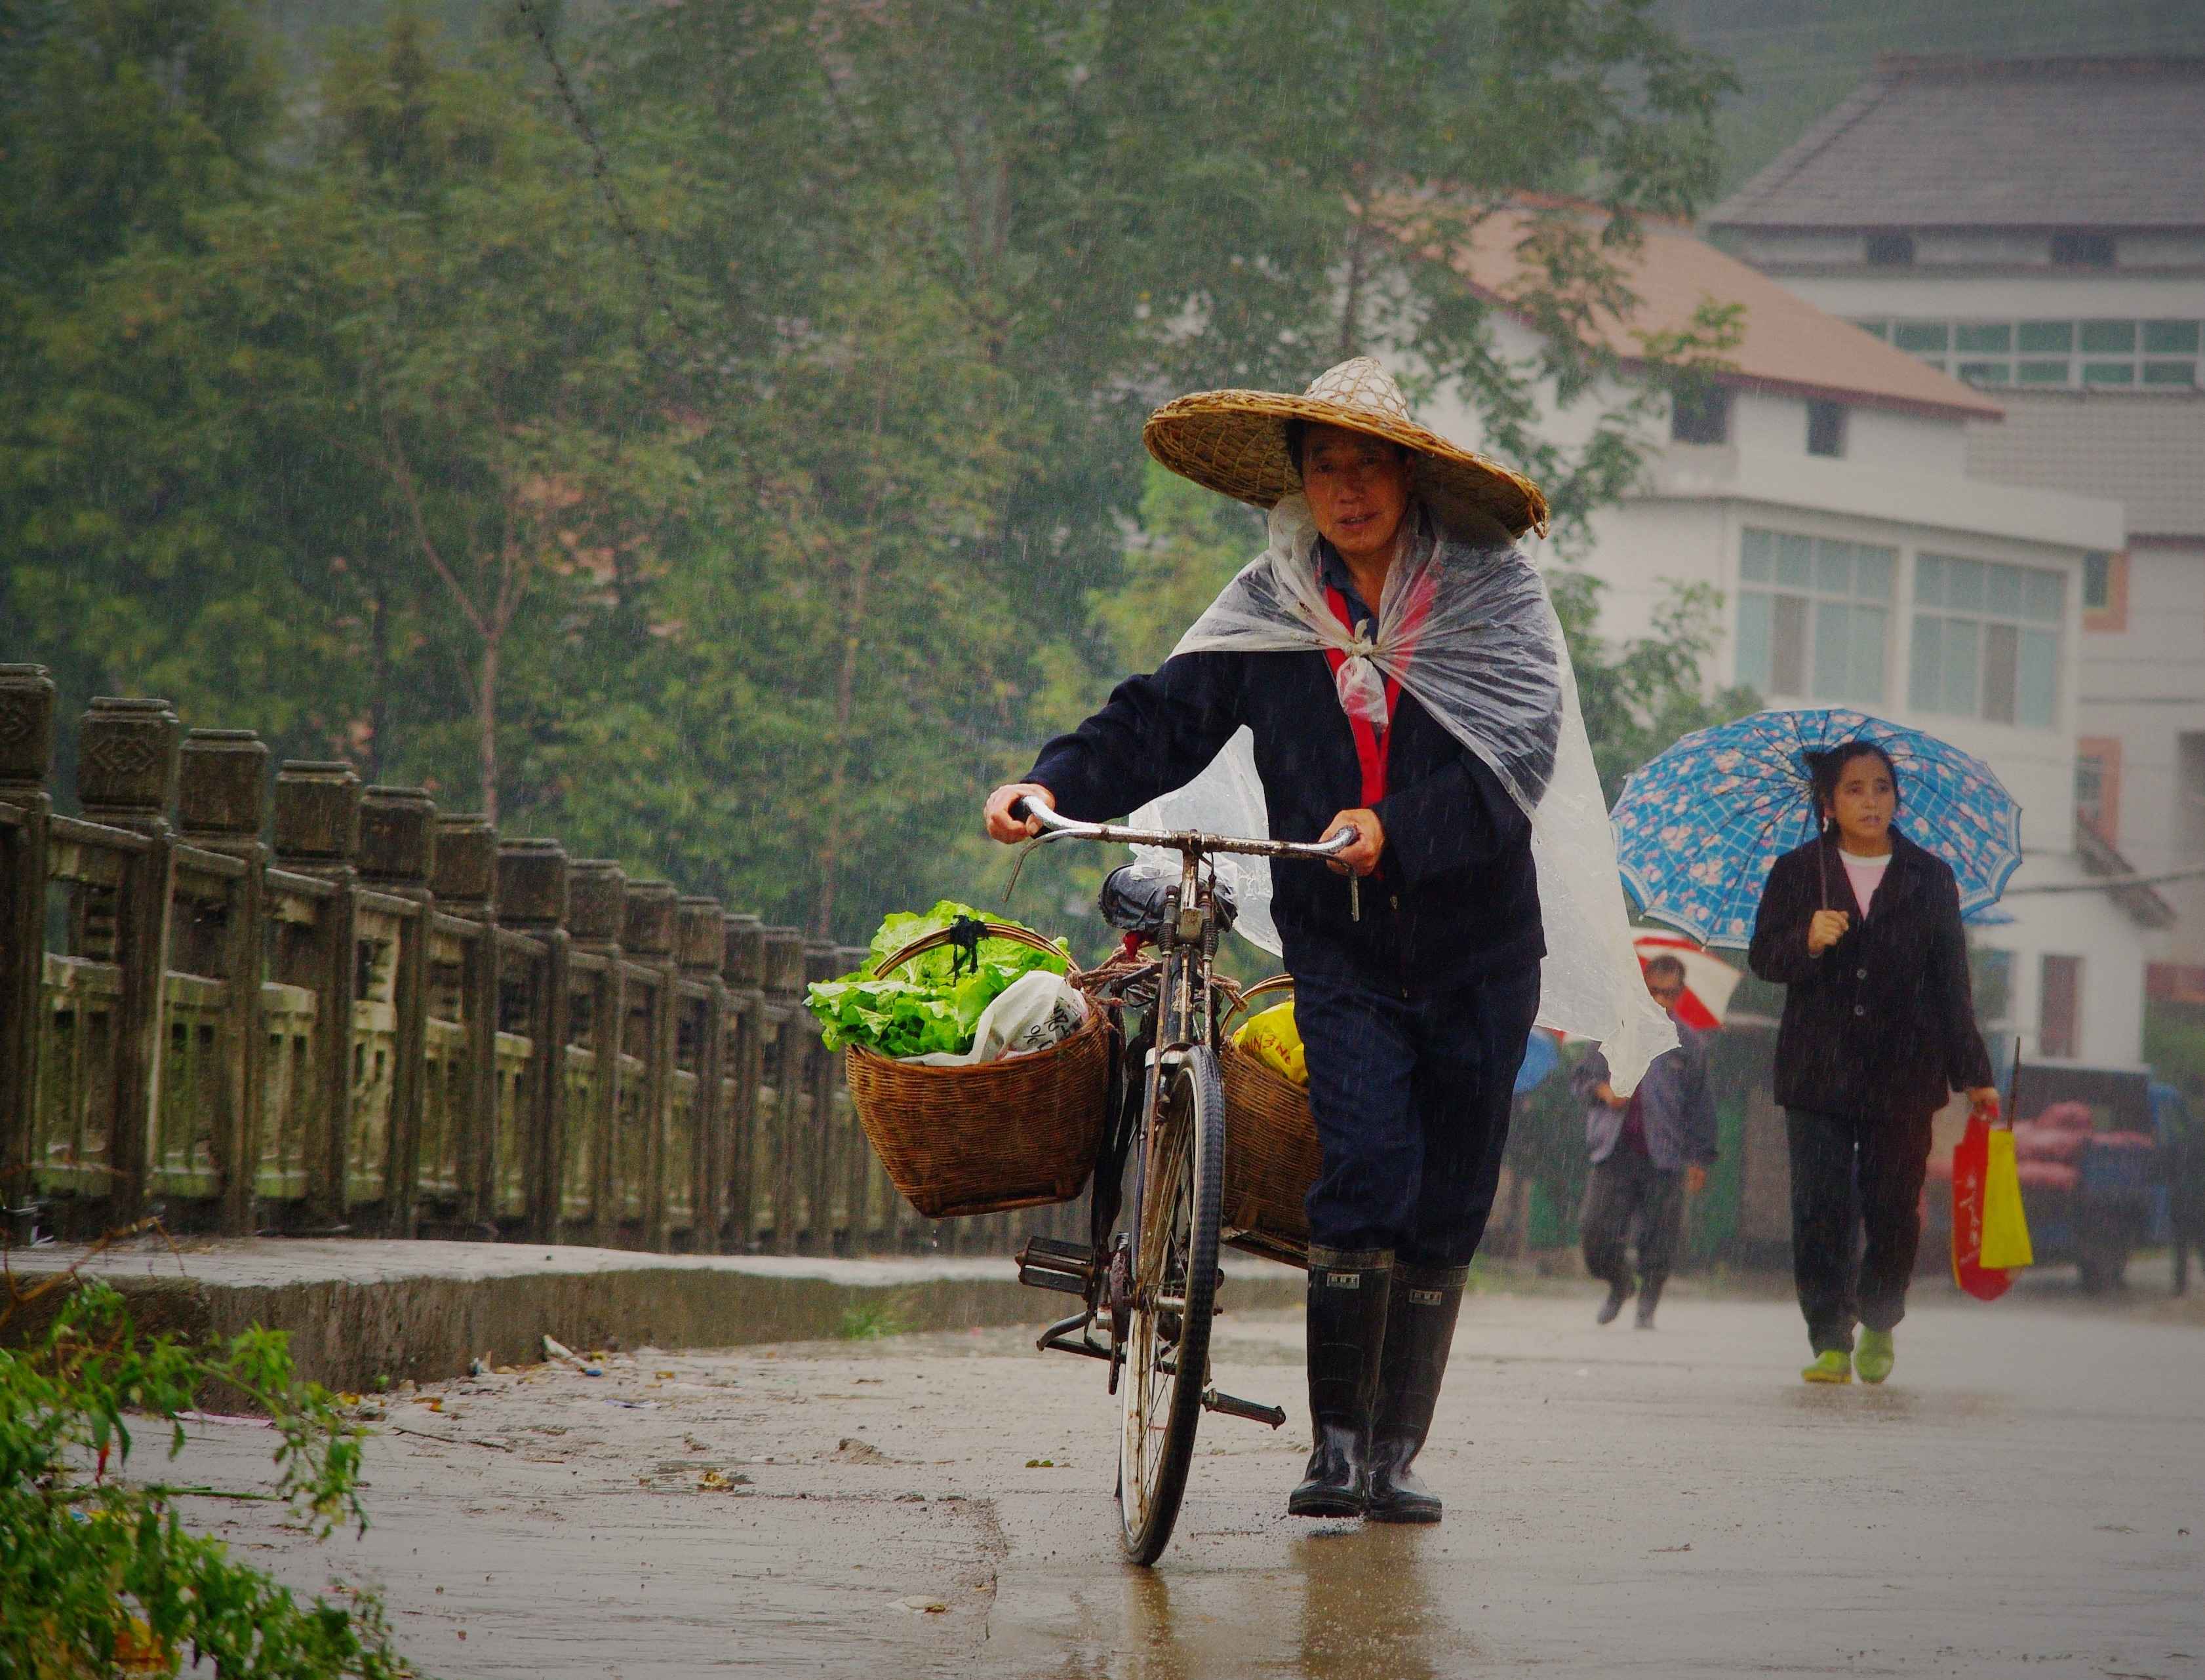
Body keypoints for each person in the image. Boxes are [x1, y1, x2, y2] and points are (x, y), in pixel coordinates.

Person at [983, 357, 1602, 1525]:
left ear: (1408, 477)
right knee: (1363, 1169)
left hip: (1476, 946)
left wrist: (1396, 827)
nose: (1348, 487)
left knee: (1448, 1194)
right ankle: (1335, 1446)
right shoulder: (1273, 603)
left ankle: (1394, 1453)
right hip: (1343, 948)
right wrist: (1049, 780)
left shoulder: (1488, 596)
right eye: (1327, 466)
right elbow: (1159, 718)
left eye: (1369, 463)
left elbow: (1517, 757)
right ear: (1301, 484)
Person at [1748, 741, 1998, 1385]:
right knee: (1819, 1206)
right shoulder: (1798, 871)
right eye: (1854, 789)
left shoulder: (1929, 876)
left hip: (1905, 1073)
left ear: (1896, 797)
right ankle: (1830, 1336)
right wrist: (1805, 939)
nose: (1870, 800)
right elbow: (1764, 959)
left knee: (1892, 1205)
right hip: (1816, 1071)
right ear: (1828, 803)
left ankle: (1881, 1319)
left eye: (1881, 787)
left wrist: (1976, 1073)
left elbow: (1952, 982)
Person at [1572, 954, 1717, 1329]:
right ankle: (1619, 1283)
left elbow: (1701, 1106)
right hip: (1613, 1148)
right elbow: (1582, 1080)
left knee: (1659, 1239)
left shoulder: (1689, 1045)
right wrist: (1605, 1091)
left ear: (1681, 994)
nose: (1662, 1001)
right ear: (1643, 989)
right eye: (1655, 992)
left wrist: (1700, 1159)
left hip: (1664, 1155)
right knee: (1595, 1234)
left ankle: (1648, 1304)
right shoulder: (1614, 1032)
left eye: (1670, 994)